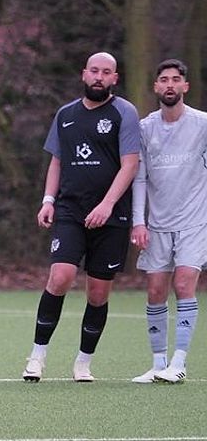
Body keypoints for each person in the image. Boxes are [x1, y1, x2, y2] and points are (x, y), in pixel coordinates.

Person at [22, 52, 140, 383]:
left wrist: (107, 204)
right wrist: (48, 200)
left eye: (106, 72)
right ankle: (37, 356)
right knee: (60, 276)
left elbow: (130, 164)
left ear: (115, 78)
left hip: (111, 216)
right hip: (70, 211)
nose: (99, 77)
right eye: (94, 71)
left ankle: (83, 362)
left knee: (98, 293)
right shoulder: (66, 114)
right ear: (84, 74)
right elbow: (57, 162)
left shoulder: (124, 113)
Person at [130, 59, 207, 384]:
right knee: (155, 291)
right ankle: (158, 363)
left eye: (176, 79)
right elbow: (139, 178)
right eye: (164, 79)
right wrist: (139, 222)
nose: (170, 84)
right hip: (157, 224)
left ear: (185, 86)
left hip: (194, 222)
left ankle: (179, 362)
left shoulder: (202, 124)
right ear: (156, 86)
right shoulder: (145, 127)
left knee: (184, 284)